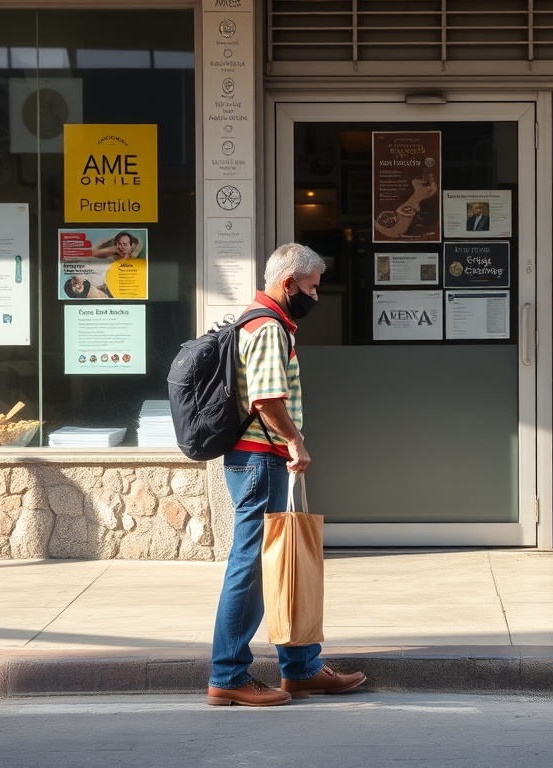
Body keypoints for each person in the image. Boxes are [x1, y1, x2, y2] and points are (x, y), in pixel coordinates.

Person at [206, 242, 367, 707]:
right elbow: (266, 398)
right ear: (288, 283)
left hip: (258, 459)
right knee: (252, 567)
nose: (316, 296)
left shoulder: (261, 321)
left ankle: (301, 669)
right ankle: (228, 675)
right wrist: (294, 441)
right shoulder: (267, 327)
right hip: (261, 459)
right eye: (312, 288)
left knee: (281, 562)